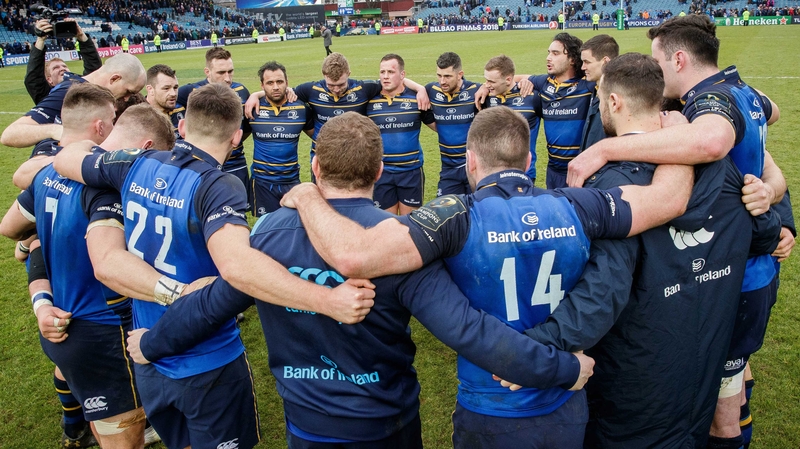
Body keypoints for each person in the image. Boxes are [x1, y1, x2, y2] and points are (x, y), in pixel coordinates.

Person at [125, 111, 595, 449]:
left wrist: (153, 343)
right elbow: (469, 330)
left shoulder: (267, 236)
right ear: (379, 171)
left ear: (314, 169)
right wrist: (563, 369)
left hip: (308, 422)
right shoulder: (397, 245)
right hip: (384, 422)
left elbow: (212, 304)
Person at [277, 106, 693, 448]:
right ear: (530, 161)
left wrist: (309, 195)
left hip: (491, 408)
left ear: (470, 161)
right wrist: (679, 133)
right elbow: (670, 199)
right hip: (565, 405)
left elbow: (355, 255)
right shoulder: (579, 205)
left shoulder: (454, 217)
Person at [52, 83, 376, 449]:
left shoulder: (133, 163)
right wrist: (327, 301)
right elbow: (238, 269)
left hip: (147, 355)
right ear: (237, 137)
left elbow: (65, 159)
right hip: (208, 361)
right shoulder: (219, 186)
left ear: (183, 128)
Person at [517, 52, 782, 448]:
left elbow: (601, 292)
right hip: (700, 368)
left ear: (614, 102)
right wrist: (778, 215)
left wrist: (538, 345)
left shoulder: (608, 184)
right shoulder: (723, 168)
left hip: (635, 386)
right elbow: (764, 231)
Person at [0, 84, 176, 449]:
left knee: (101, 419)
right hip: (103, 333)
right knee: (124, 437)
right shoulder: (108, 188)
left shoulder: (46, 175)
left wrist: (35, 245)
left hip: (62, 325)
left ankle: (77, 428)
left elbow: (10, 229)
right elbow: (109, 264)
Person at [244, 52, 429, 181]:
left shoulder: (364, 89)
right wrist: (255, 95)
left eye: (341, 84)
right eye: (331, 85)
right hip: (322, 160)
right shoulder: (310, 90)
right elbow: (280, 91)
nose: (337, 89)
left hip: (354, 158)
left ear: (349, 73)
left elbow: (394, 82)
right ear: (324, 75)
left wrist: (420, 89)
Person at [2, 53, 146, 149]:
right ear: (114, 79)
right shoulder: (71, 92)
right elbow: (10, 134)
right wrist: (54, 130)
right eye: (128, 91)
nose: (127, 98)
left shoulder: (94, 92)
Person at [177, 48, 252, 205]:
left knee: (238, 210)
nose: (227, 78)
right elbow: (164, 99)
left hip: (236, 164)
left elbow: (247, 126)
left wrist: (257, 95)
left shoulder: (241, 91)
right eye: (221, 72)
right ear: (207, 71)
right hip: (203, 164)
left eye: (230, 71)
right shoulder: (191, 92)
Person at [367, 54, 434, 214]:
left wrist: (420, 89)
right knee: (385, 225)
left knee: (409, 225)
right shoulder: (369, 99)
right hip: (382, 172)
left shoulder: (417, 99)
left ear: (402, 75)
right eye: (382, 72)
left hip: (410, 172)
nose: (385, 76)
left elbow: (440, 127)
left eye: (390, 72)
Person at [530, 33, 595, 188]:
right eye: (548, 52)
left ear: (572, 59)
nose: (548, 57)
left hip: (579, 169)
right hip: (553, 170)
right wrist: (485, 88)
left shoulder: (587, 86)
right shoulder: (544, 83)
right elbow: (513, 79)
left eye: (555, 53)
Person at [249, 61, 313, 216]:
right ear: (262, 85)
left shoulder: (301, 109)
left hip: (291, 181)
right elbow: (237, 140)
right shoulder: (252, 109)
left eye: (279, 81)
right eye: (270, 83)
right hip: (262, 183)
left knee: (294, 226)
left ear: (287, 83)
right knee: (266, 229)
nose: (275, 87)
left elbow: (317, 138)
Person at [425, 52, 479, 196]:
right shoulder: (431, 90)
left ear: (460, 74)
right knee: (445, 214)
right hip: (448, 170)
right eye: (439, 75)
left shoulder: (476, 91)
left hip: (474, 168)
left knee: (476, 213)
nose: (442, 81)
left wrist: (486, 87)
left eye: (447, 76)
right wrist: (419, 90)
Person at [481, 55, 541, 183]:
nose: (487, 85)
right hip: (493, 173)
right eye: (486, 80)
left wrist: (526, 80)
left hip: (524, 173)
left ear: (508, 80)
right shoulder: (487, 98)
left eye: (491, 82)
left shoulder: (531, 97)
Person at [26, 19, 102, 105]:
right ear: (49, 79)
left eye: (64, 66)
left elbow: (94, 69)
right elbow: (33, 79)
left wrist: (81, 36)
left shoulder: (82, 87)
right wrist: (40, 39)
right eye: (56, 68)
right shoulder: (47, 97)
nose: (62, 69)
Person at [578, 34, 618, 152]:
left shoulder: (618, 96)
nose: (583, 67)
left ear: (605, 61)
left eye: (587, 62)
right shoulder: (596, 88)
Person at [145, 64, 183, 140]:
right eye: (166, 88)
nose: (173, 93)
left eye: (175, 88)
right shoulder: (139, 116)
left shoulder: (181, 109)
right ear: (150, 90)